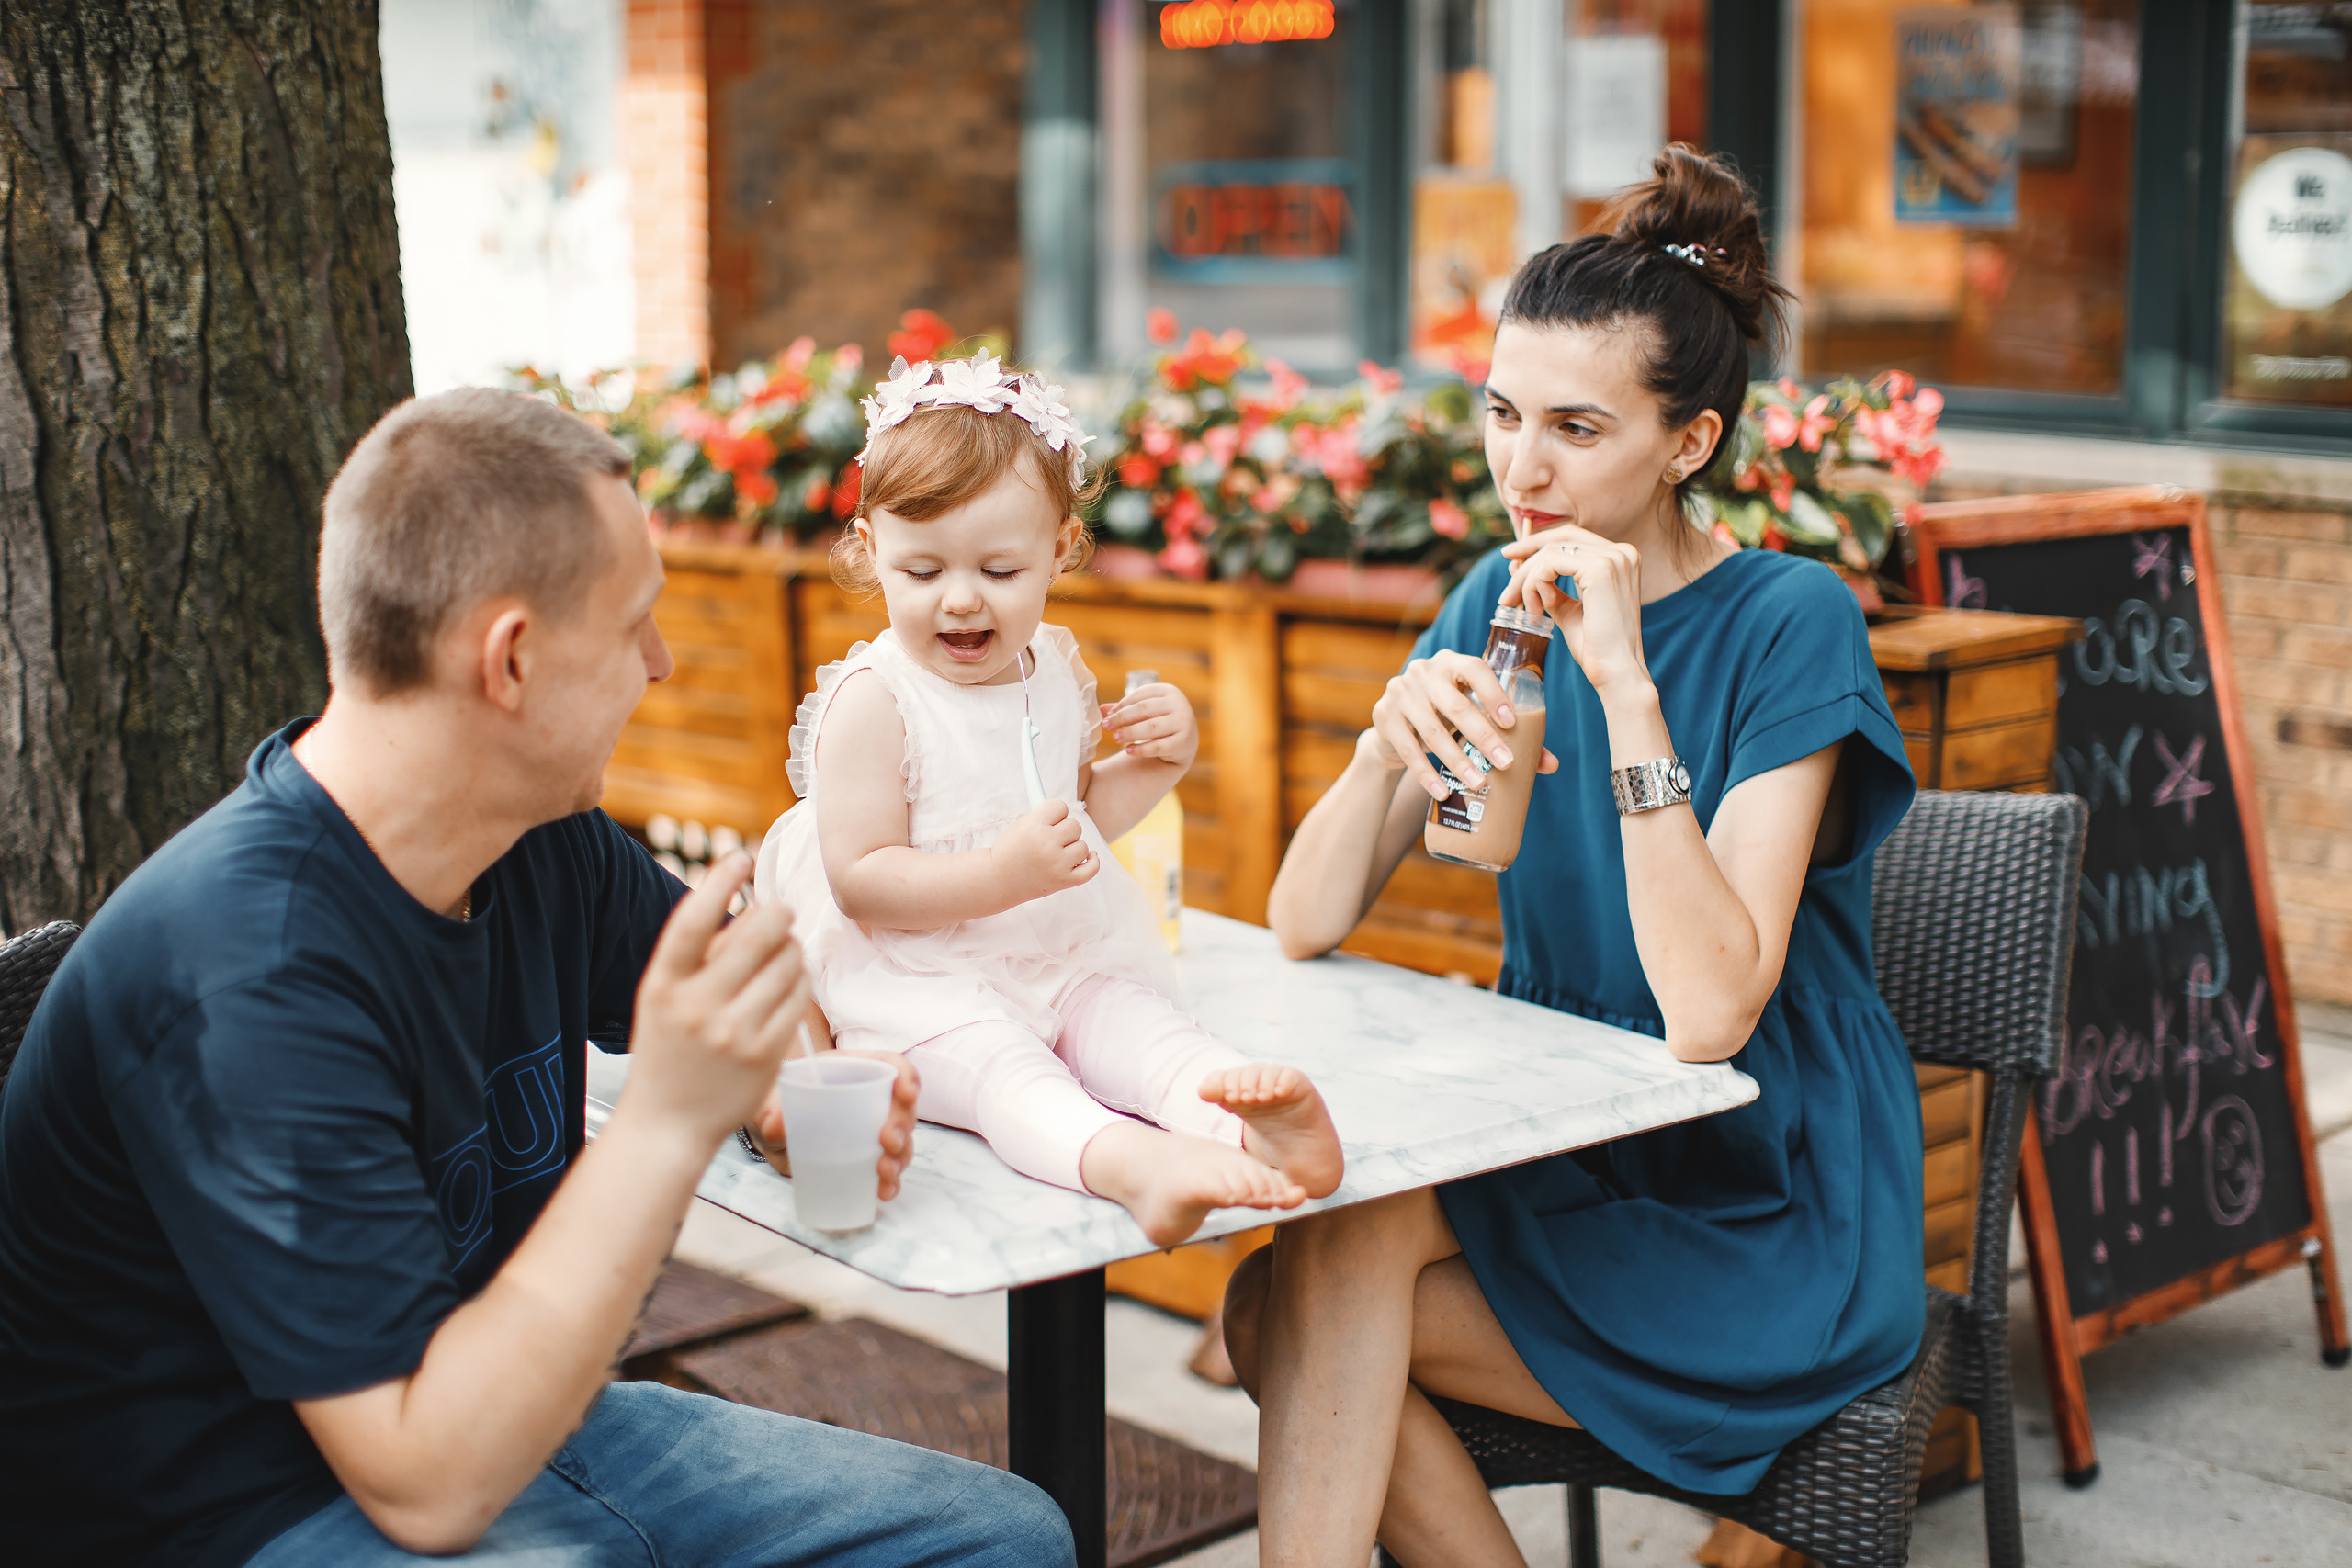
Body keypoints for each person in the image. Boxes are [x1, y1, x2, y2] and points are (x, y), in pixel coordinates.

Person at [0, 389, 1076, 1568]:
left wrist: (785, 1088)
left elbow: (749, 995)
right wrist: (669, 1117)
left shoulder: (539, 838)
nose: (661, 667)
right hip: (240, 1508)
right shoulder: (244, 974)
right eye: (634, 628)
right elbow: (428, 1489)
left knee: (1003, 1538)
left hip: (513, 1406)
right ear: (510, 661)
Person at [1227, 146, 1924, 1565]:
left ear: (1688, 443)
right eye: (1498, 412)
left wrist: (1630, 688)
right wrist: (1381, 744)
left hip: (1761, 1189)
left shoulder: (1792, 620)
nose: (1519, 466)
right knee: (1297, 1276)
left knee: (1297, 1307)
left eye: (1574, 426)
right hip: (1565, 1136)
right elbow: (1302, 920)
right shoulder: (1501, 590)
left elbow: (1713, 1010)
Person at [754, 352, 1343, 1247]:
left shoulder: (1051, 672)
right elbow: (861, 880)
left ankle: (1246, 1123)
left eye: (998, 570)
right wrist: (1000, 873)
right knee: (1007, 1076)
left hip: (1054, 952)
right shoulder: (875, 702)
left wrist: (1158, 764)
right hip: (919, 989)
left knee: (1141, 1029)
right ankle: (1132, 1167)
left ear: (1059, 551)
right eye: (922, 573)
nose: (960, 601)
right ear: (873, 555)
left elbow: (1069, 825)